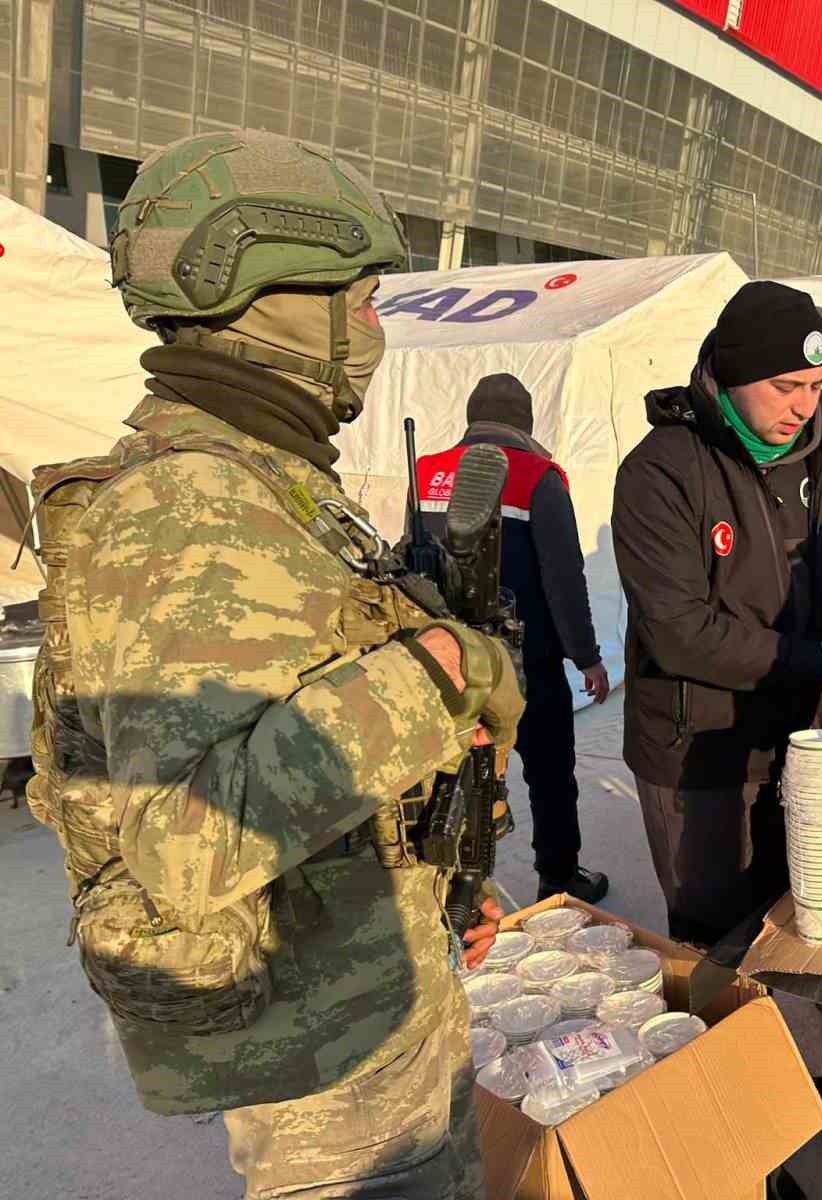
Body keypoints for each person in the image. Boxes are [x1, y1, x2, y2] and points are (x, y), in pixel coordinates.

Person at [27, 131, 522, 1199]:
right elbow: (188, 845)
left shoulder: (271, 485)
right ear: (269, 292)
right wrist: (436, 671)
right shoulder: (188, 505)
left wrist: (438, 881)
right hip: (328, 1077)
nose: (375, 326)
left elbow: (302, 736)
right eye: (364, 296)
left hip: (371, 1010)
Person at [612, 281, 822, 949]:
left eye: (815, 386)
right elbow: (678, 632)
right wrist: (815, 659)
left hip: (798, 740)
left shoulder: (821, 457)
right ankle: (725, 1047)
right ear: (732, 372)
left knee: (803, 912)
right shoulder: (661, 472)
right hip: (698, 754)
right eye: (787, 386)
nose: (804, 406)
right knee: (717, 942)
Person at [418, 373, 612, 904]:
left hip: (449, 662)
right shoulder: (538, 477)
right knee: (549, 774)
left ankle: (449, 888)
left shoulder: (427, 471)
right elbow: (563, 576)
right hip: (529, 663)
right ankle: (557, 875)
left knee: (453, 776)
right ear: (525, 423)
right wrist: (587, 657)